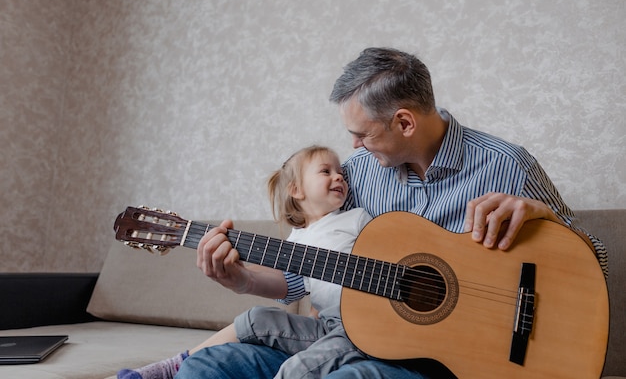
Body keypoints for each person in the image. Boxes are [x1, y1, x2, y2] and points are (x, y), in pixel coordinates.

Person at [176, 47, 608, 379]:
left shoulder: (507, 165)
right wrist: (243, 279)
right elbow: (315, 263)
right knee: (206, 369)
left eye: (361, 134)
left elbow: (598, 263)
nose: (354, 149)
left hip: (449, 361)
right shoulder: (358, 175)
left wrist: (545, 217)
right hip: (339, 338)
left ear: (404, 123)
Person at [118, 145, 373, 379]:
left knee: (297, 369)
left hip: (361, 329)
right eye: (326, 171)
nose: (339, 177)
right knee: (256, 317)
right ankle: (175, 366)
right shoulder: (296, 241)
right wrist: (243, 277)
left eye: (340, 172)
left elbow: (393, 250)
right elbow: (289, 285)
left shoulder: (356, 218)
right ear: (296, 190)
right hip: (326, 326)